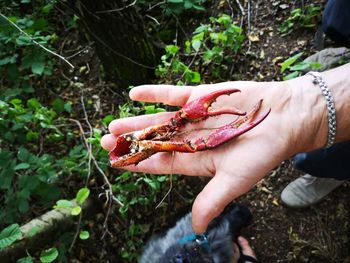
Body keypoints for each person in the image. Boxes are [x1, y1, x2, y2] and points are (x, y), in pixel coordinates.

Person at [101, 63, 350, 234]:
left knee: (178, 126)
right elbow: (196, 143)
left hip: (145, 142)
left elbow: (177, 125)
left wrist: (302, 100)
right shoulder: (150, 144)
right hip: (136, 148)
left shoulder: (170, 127)